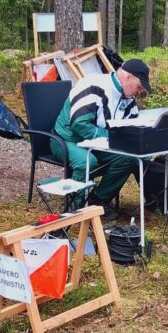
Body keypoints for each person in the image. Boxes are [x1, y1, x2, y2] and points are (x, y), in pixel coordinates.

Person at [51, 59, 152, 220]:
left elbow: (130, 124)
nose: (139, 92)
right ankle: (76, 209)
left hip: (98, 143)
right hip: (67, 139)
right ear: (127, 78)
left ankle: (97, 200)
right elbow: (79, 124)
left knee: (131, 157)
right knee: (87, 162)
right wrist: (113, 137)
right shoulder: (93, 86)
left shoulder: (127, 97)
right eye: (139, 86)